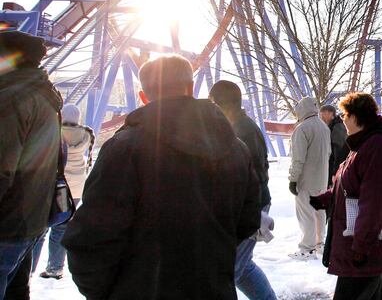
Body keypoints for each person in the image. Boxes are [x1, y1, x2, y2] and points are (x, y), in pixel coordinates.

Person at [62, 54, 262, 300]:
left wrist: (104, 291)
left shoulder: (125, 149)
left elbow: (91, 237)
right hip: (213, 288)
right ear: (190, 88)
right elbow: (249, 219)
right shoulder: (236, 148)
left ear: (143, 97)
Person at [309, 92, 382, 300]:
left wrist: (361, 247)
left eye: (345, 115)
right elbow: (352, 186)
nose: (343, 119)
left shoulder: (378, 147)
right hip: (363, 246)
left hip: (366, 249)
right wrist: (326, 199)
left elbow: (376, 203)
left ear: (356, 116)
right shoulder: (364, 144)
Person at [0, 31, 62, 298]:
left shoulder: (12, 98)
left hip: (6, 222)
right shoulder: (44, 96)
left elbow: (2, 170)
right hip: (30, 218)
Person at [209, 80, 277, 300]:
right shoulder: (238, 126)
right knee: (242, 267)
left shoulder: (241, 131)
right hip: (249, 205)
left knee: (231, 270)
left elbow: (254, 174)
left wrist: (251, 213)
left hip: (251, 206)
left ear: (221, 104)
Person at [32, 104, 94, 280]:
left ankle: (29, 267)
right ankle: (55, 268)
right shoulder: (87, 135)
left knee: (40, 228)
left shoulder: (54, 132)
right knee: (61, 227)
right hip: (75, 189)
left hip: (54, 186)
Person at [288, 97, 331, 259]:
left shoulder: (302, 129)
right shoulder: (324, 127)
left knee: (306, 213)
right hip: (321, 178)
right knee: (319, 211)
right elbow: (328, 153)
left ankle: (307, 248)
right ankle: (320, 244)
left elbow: (298, 158)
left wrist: (293, 179)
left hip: (306, 179)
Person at [320, 104, 349, 187]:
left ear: (330, 113)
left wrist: (335, 172)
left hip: (336, 170)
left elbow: (339, 152)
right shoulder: (332, 126)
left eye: (322, 114)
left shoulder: (337, 126)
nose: (321, 117)